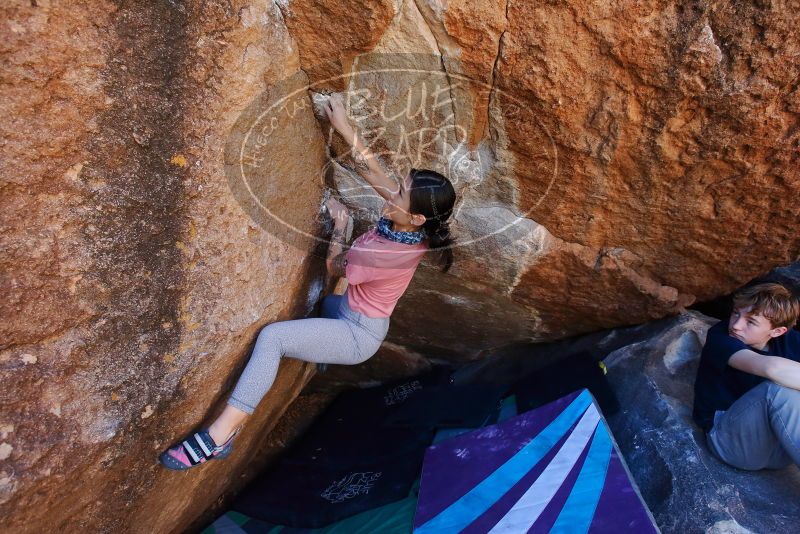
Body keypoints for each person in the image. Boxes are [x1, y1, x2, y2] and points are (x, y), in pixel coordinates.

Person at [159, 94, 457, 470]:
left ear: (415, 218)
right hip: (351, 313)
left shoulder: (387, 254)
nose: (391, 191)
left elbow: (334, 268)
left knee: (274, 338)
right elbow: (375, 174)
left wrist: (341, 227)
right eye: (400, 186)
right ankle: (320, 352)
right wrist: (344, 127)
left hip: (357, 336)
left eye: (400, 193)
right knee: (325, 306)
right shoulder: (413, 224)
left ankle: (220, 435)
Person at [692, 282, 800, 470]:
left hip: (780, 446)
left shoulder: (790, 341)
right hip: (730, 441)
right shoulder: (720, 337)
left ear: (777, 331)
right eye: (736, 313)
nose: (736, 325)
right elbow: (771, 368)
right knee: (777, 391)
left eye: (751, 322)